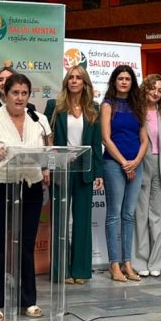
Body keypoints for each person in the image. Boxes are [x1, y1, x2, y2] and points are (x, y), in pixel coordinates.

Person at [0, 74, 51, 321]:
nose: (20, 98)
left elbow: (50, 151)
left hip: (30, 187)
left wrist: (47, 167)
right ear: (5, 94)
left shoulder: (40, 119)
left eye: (24, 93)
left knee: (25, 245)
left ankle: (28, 301)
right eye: (15, 93)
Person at [45, 66, 104, 285]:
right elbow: (46, 137)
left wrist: (99, 173)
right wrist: (48, 166)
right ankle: (61, 271)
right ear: (66, 82)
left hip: (85, 170)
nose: (74, 81)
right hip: (60, 169)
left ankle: (80, 270)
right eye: (71, 77)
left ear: (85, 83)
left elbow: (97, 144)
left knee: (82, 221)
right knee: (60, 221)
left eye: (79, 78)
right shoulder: (54, 106)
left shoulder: (93, 108)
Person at [100, 65, 149, 283]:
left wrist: (136, 161)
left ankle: (127, 262)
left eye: (127, 78)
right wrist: (123, 163)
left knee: (129, 215)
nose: (124, 82)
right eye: (120, 78)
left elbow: (145, 138)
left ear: (132, 82)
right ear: (114, 81)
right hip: (113, 164)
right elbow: (105, 138)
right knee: (114, 215)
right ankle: (114, 264)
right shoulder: (108, 105)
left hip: (136, 164)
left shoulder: (139, 105)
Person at [134, 74, 161, 277]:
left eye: (160, 91)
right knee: (140, 215)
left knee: (159, 218)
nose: (156, 93)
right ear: (145, 88)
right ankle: (139, 261)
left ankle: (156, 262)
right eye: (153, 88)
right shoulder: (135, 110)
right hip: (141, 165)